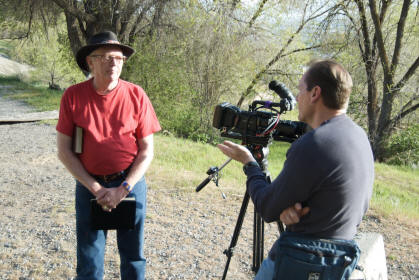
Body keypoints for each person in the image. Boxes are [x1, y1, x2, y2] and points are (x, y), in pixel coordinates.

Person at [217, 59, 374, 279]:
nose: (298, 97)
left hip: (301, 261)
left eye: (301, 90)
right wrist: (295, 211)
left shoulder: (315, 143)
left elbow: (267, 207)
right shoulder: (359, 137)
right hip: (336, 264)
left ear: (315, 93)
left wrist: (250, 164)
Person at [56, 31, 161, 280]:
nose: (112, 62)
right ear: (90, 62)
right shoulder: (73, 96)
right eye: (103, 56)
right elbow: (64, 151)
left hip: (130, 183)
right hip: (89, 184)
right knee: (89, 259)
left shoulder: (136, 95)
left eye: (117, 57)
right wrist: (96, 189)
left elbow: (147, 151)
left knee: (133, 257)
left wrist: (122, 189)